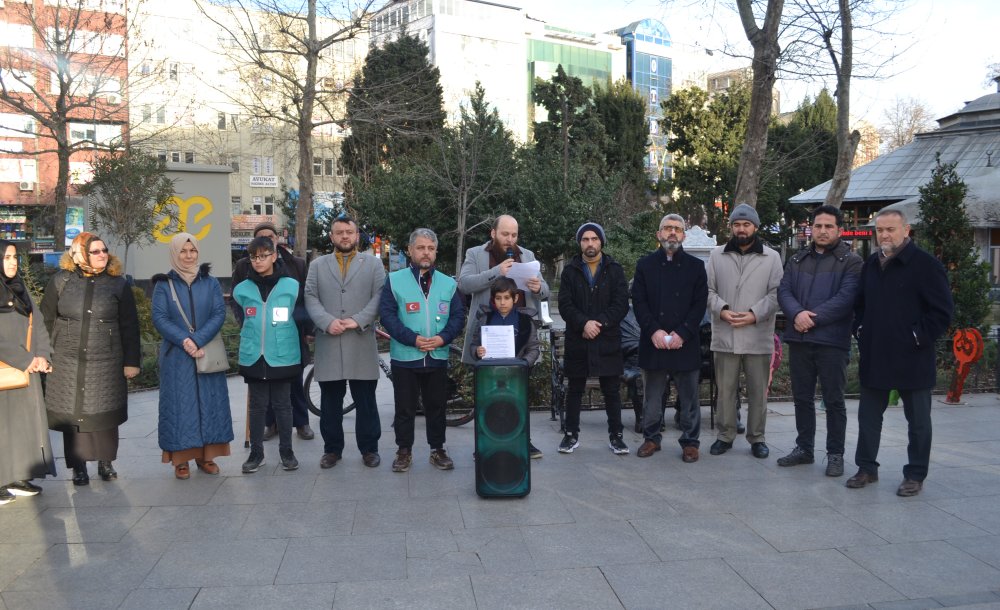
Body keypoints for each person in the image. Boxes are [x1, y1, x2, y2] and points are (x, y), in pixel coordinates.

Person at [847, 209, 953, 496]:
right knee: (868, 417)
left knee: (918, 422)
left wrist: (916, 337)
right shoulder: (871, 264)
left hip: (913, 357)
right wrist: (861, 329)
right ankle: (867, 468)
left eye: (891, 229)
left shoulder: (926, 265)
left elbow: (942, 313)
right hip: (876, 354)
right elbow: (860, 305)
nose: (884, 235)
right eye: (880, 230)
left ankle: (915, 475)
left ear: (907, 230)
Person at [41, 232, 141, 486]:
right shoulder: (61, 281)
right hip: (66, 359)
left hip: (106, 359)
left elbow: (130, 326)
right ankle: (78, 467)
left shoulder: (118, 284)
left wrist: (132, 361)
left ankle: (105, 463)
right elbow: (46, 320)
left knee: (104, 413)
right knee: (72, 415)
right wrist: (44, 354)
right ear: (80, 254)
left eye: (104, 250)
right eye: (95, 251)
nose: (102, 255)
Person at [776, 205, 862, 477]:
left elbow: (846, 298)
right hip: (799, 339)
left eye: (828, 226)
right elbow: (784, 290)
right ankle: (804, 448)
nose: (822, 231)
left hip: (831, 341)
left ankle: (835, 454)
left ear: (839, 229)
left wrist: (812, 318)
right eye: (818, 226)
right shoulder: (798, 259)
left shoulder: (852, 261)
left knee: (833, 400)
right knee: (802, 398)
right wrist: (797, 313)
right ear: (810, 229)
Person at [458, 214, 549, 458]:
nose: (510, 240)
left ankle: (523, 441)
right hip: (487, 332)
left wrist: (539, 288)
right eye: (505, 234)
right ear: (493, 233)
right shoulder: (475, 254)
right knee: (486, 395)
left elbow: (546, 291)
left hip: (520, 333)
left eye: (514, 235)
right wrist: (496, 271)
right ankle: (485, 443)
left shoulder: (527, 256)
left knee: (518, 395)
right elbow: (464, 284)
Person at [379, 228, 466, 473]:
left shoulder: (449, 283)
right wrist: (413, 339)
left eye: (430, 248)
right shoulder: (394, 280)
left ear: (436, 251)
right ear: (410, 250)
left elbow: (458, 316)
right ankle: (403, 450)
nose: (425, 252)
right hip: (405, 357)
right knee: (404, 408)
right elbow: (387, 315)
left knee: (436, 406)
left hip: (437, 356)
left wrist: (442, 338)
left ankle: (437, 449)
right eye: (420, 247)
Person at [304, 216, 385, 469]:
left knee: (366, 401)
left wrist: (357, 320)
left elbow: (380, 296)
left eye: (349, 232)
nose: (345, 236)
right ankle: (332, 450)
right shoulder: (317, 265)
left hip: (360, 340)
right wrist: (326, 322)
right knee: (330, 402)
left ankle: (369, 449)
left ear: (357, 236)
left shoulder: (373, 264)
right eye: (339, 232)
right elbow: (310, 296)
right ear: (332, 237)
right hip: (329, 341)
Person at [151, 233, 234, 479]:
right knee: (180, 408)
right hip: (177, 356)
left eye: (193, 251)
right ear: (174, 254)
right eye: (183, 252)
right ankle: (181, 459)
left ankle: (206, 457)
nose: (189, 256)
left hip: (206, 351)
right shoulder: (163, 284)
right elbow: (160, 318)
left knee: (210, 405)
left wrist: (198, 340)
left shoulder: (210, 282)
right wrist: (185, 341)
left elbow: (219, 313)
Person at [706, 204, 783, 459]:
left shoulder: (771, 258)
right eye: (737, 224)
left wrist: (754, 314)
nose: (741, 229)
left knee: (758, 392)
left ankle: (757, 438)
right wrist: (722, 309)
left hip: (757, 335)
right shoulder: (716, 256)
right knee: (725, 391)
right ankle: (725, 435)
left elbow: (777, 294)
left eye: (746, 224)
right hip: (725, 334)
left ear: (755, 227)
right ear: (731, 227)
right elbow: (707, 292)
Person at [631, 214, 708, 462]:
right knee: (652, 399)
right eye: (667, 229)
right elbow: (639, 303)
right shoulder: (644, 265)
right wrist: (654, 330)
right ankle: (651, 438)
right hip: (653, 342)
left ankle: (690, 442)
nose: (672, 233)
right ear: (659, 234)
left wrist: (682, 333)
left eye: (677, 229)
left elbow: (699, 305)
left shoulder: (696, 267)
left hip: (685, 342)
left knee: (689, 399)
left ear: (684, 236)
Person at [232, 222, 314, 441]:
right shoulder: (243, 266)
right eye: (261, 236)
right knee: (262, 388)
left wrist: (307, 329)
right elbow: (237, 300)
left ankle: (302, 422)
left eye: (270, 236)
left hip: (290, 333)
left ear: (276, 240)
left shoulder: (295, 263)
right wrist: (247, 323)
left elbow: (304, 302)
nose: (258, 259)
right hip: (258, 334)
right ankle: (270, 424)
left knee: (293, 382)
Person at [557, 222, 630, 455]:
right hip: (578, 339)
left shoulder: (615, 269)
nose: (590, 243)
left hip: (607, 337)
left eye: (594, 239)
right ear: (580, 242)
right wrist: (583, 324)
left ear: (601, 242)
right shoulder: (570, 271)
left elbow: (620, 304)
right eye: (585, 239)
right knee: (575, 389)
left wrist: (600, 323)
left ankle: (616, 436)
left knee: (611, 390)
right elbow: (565, 305)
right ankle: (570, 435)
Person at [0, 240, 55, 504]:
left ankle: (18, 475)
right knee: (3, 426)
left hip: (27, 370)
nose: (12, 262)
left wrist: (43, 355)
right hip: (7, 368)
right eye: (7, 257)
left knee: (22, 425)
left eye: (15, 257)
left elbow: (40, 323)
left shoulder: (21, 290)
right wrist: (25, 359)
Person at [468, 276, 540, 364]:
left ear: (515, 298)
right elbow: (474, 344)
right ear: (493, 299)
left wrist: (524, 363)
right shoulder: (485, 319)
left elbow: (533, 348)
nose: (502, 302)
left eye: (507, 298)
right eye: (498, 298)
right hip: (490, 370)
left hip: (517, 372)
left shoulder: (525, 321)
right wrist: (476, 351)